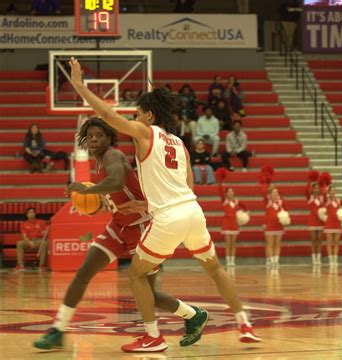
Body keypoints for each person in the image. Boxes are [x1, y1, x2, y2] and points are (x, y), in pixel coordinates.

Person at [68, 57, 261, 352]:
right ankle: (244, 323)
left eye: (136, 113)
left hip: (168, 217)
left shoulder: (145, 133)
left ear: (147, 115)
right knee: (216, 269)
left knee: (136, 275)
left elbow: (107, 114)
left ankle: (153, 336)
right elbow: (187, 187)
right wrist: (146, 207)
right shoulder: (179, 143)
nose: (133, 118)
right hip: (193, 211)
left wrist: (80, 86)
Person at [33, 117, 209, 351]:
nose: (95, 139)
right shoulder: (99, 162)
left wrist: (89, 190)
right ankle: (57, 330)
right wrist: (99, 203)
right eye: (91, 135)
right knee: (84, 272)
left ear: (109, 139)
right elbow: (117, 192)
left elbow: (116, 181)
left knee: (149, 293)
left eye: (100, 135)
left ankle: (191, 315)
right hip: (119, 225)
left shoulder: (113, 156)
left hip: (142, 227)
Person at [218, 182, 248, 267]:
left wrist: (245, 213)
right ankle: (228, 261)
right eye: (229, 191)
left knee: (233, 244)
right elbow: (220, 192)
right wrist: (220, 182)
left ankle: (232, 260)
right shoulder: (224, 201)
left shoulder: (236, 201)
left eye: (232, 191)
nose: (231, 193)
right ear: (226, 193)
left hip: (234, 224)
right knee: (228, 243)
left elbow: (244, 206)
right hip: (226, 224)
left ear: (233, 193)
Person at [261, 182, 287, 268]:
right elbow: (264, 193)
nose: (276, 194)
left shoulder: (281, 202)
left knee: (277, 244)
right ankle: (271, 261)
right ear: (270, 194)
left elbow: (285, 211)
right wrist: (266, 184)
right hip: (270, 226)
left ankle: (276, 261)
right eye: (274, 192)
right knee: (270, 244)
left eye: (277, 192)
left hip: (279, 226)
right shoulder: (268, 202)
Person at [323, 186, 342, 267]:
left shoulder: (339, 200)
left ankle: (335, 259)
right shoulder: (326, 201)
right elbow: (324, 195)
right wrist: (325, 188)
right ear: (329, 192)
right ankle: (331, 260)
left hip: (337, 224)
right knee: (330, 242)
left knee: (336, 243)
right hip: (329, 223)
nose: (333, 192)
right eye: (331, 191)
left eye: (334, 191)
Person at [15, 207, 47, 272]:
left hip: (38, 241)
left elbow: (44, 233)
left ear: (35, 214)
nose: (31, 214)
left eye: (33, 212)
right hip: (28, 241)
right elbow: (24, 236)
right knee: (19, 243)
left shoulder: (42, 222)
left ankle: (41, 266)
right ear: (27, 215)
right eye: (30, 212)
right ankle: (20, 265)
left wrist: (44, 232)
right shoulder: (23, 224)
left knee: (44, 243)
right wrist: (29, 242)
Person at [305, 179, 326, 266]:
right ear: (312, 190)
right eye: (315, 188)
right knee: (313, 240)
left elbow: (325, 191)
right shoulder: (310, 198)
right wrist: (310, 181)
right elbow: (305, 190)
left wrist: (324, 183)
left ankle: (318, 258)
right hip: (313, 221)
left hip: (320, 221)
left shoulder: (322, 198)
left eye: (318, 188)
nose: (317, 189)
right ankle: (314, 258)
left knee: (319, 240)